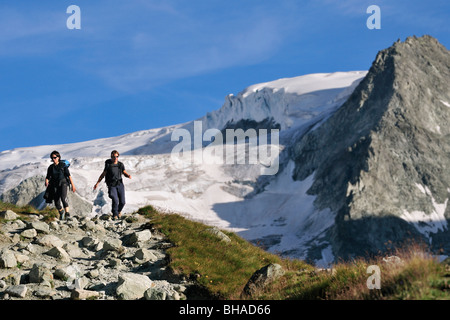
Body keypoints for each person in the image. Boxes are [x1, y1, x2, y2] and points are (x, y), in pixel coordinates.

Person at [93, 150, 131, 219]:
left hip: (120, 184)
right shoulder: (108, 165)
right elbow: (103, 174)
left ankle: (118, 211)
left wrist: (128, 175)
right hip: (111, 184)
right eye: (113, 157)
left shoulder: (120, 165)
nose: (115, 158)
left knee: (122, 202)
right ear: (111, 157)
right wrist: (97, 183)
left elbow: (124, 172)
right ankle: (115, 214)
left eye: (116, 156)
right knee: (115, 199)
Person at [45, 150, 76, 220]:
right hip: (54, 185)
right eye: (52, 158)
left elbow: (69, 176)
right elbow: (47, 177)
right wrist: (46, 182)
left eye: (55, 157)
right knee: (56, 202)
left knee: (63, 198)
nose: (53, 159)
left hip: (63, 183)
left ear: (58, 157)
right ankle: (61, 211)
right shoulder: (51, 167)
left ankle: (67, 214)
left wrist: (73, 185)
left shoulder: (63, 165)